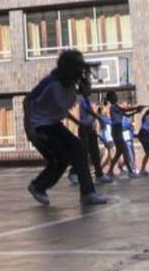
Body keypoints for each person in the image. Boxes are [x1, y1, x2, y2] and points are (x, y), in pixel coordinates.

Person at [23, 49, 108, 207]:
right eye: (77, 66)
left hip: (54, 124)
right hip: (39, 126)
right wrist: (29, 129)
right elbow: (27, 100)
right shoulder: (51, 83)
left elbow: (61, 109)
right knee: (60, 158)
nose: (80, 70)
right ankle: (38, 186)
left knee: (78, 149)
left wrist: (78, 122)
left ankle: (87, 194)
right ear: (69, 68)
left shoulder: (71, 85)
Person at [69, 78, 114, 185]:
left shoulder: (86, 100)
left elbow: (90, 114)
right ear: (84, 88)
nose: (91, 89)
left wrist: (96, 118)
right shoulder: (82, 100)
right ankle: (74, 173)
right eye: (89, 87)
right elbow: (89, 111)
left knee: (95, 153)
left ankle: (99, 175)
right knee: (84, 152)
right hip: (84, 129)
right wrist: (98, 118)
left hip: (90, 129)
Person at [105, 90, 141, 177]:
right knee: (124, 150)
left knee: (119, 153)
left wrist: (136, 111)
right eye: (115, 95)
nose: (116, 97)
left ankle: (110, 171)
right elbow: (125, 110)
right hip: (116, 130)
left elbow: (126, 114)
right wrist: (136, 108)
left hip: (118, 130)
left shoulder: (116, 106)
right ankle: (130, 171)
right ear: (111, 98)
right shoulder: (113, 107)